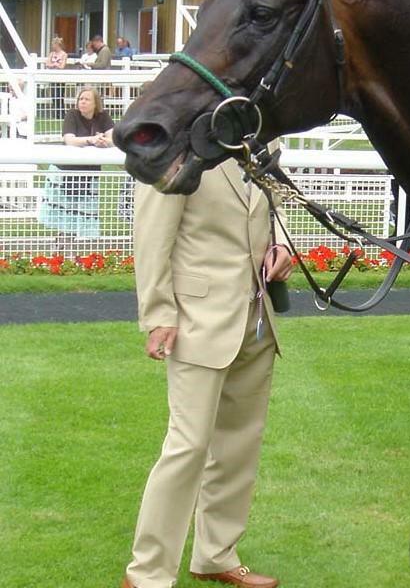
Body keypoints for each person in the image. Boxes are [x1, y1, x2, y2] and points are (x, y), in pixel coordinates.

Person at [121, 158, 292, 588]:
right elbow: (152, 232)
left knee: (238, 445)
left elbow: (276, 203)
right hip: (197, 317)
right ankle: (147, 575)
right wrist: (159, 313)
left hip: (256, 315)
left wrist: (284, 243)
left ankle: (216, 555)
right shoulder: (179, 140)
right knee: (188, 446)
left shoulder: (261, 131)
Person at [36, 87, 115, 242]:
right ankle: (60, 253)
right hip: (66, 172)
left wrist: (103, 141)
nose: (82, 102)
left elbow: (114, 139)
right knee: (66, 220)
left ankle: (73, 255)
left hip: (89, 175)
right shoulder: (72, 115)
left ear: (95, 103)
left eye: (87, 99)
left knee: (81, 218)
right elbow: (69, 140)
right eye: (81, 99)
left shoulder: (103, 117)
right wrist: (91, 140)